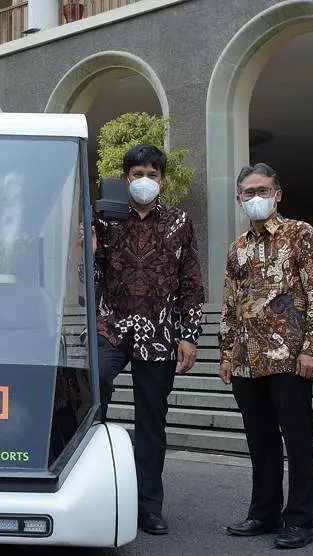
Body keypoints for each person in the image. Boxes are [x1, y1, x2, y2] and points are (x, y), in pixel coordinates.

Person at [87, 144, 204, 535]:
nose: (145, 181)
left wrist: (189, 335)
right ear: (125, 179)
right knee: (94, 387)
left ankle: (148, 505)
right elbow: (86, 274)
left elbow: (191, 281)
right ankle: (91, 487)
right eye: (138, 174)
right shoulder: (105, 219)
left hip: (159, 331)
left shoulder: (179, 220)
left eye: (153, 175)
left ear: (163, 180)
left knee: (152, 421)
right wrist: (85, 248)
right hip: (112, 325)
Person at [219, 163, 313, 549]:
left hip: (290, 358)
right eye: (248, 193)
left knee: (298, 440)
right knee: (260, 440)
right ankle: (264, 513)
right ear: (238, 199)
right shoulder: (237, 248)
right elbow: (231, 305)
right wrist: (227, 354)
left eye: (262, 191)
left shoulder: (301, 234)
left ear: (277, 193)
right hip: (248, 360)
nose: (256, 198)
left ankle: (299, 520)